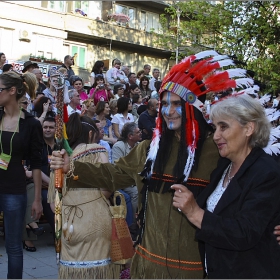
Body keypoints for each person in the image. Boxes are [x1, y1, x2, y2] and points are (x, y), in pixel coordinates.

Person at [50, 50, 256, 278]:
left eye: (176, 104)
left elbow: (251, 190)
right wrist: (73, 168)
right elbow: (114, 174)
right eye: (164, 104)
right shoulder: (149, 149)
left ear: (193, 106)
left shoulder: (218, 149)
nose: (168, 111)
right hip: (148, 266)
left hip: (194, 269)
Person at [171, 94, 280, 278]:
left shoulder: (266, 172)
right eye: (215, 128)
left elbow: (244, 233)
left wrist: (195, 213)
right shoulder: (223, 166)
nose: (216, 136)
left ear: (249, 128)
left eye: (224, 127)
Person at [48, 113, 121, 278]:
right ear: (90, 134)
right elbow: (108, 187)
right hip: (96, 221)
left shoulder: (59, 158)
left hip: (67, 226)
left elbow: (54, 205)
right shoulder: (96, 150)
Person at [0, 71, 43, 278]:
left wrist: (36, 199)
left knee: (14, 246)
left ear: (12, 91)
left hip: (14, 188)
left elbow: (36, 163)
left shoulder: (31, 123)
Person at [112, 122, 142, 225]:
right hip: (123, 180)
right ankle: (133, 225)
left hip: (136, 178)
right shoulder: (119, 146)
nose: (141, 133)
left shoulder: (138, 146)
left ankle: (144, 221)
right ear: (130, 136)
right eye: (138, 132)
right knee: (135, 193)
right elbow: (118, 168)